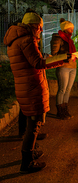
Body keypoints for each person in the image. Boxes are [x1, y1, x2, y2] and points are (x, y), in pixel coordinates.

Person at [3, 9, 65, 173]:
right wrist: (62, 59)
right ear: (31, 26)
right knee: (34, 125)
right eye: (39, 27)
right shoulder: (27, 40)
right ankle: (27, 162)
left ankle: (30, 153)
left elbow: (31, 60)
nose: (41, 30)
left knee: (33, 124)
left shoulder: (16, 39)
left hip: (24, 85)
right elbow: (37, 63)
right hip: (31, 87)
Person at [51, 18, 78, 119]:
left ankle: (65, 109)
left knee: (68, 90)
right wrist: (68, 56)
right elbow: (54, 54)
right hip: (63, 67)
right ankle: (60, 112)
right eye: (70, 29)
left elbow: (71, 52)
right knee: (62, 89)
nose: (72, 31)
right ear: (65, 29)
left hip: (72, 66)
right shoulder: (58, 38)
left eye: (72, 29)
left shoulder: (69, 39)